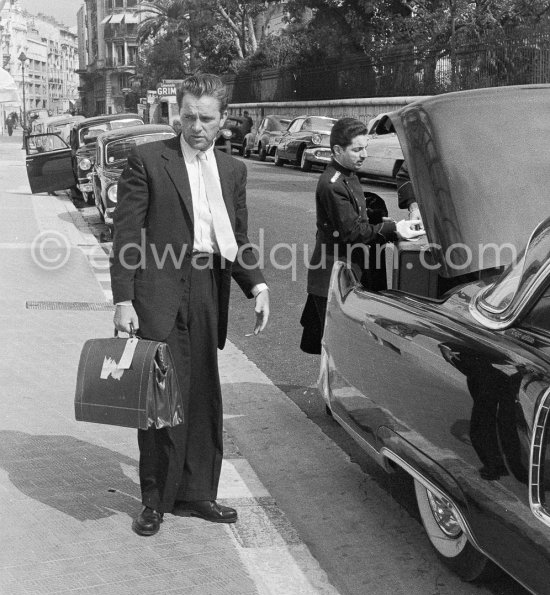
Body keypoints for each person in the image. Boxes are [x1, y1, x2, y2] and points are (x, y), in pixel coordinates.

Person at [110, 73, 270, 537]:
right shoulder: (147, 160)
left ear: (223, 120)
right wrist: (124, 299)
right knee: (159, 396)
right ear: (177, 114)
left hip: (206, 288)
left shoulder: (233, 170)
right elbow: (127, 236)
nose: (195, 126)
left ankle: (198, 493)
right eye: (188, 116)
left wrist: (256, 286)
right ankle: (155, 501)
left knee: (201, 392)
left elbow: (235, 238)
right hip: (157, 289)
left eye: (206, 118)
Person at [300, 117, 422, 354]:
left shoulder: (348, 173)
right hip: (332, 275)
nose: (364, 154)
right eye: (357, 149)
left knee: (346, 346)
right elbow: (352, 232)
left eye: (365, 147)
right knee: (337, 347)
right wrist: (394, 230)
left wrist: (381, 222)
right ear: (337, 150)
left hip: (347, 270)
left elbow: (357, 220)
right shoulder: (333, 183)